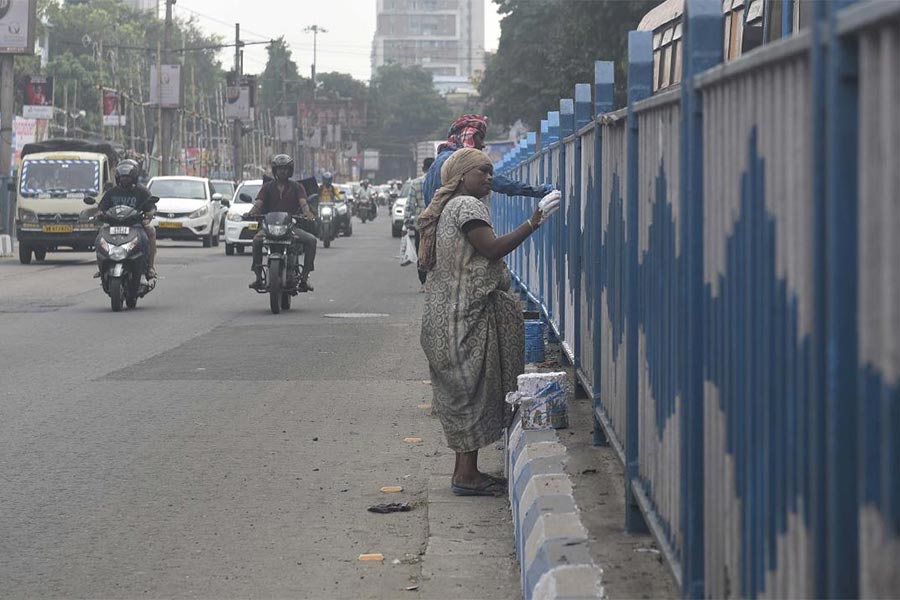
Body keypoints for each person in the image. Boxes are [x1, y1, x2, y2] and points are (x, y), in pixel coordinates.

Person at [418, 148, 560, 496]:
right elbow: (492, 249)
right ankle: (465, 476)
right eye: (482, 171)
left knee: (467, 392)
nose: (489, 178)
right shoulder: (466, 206)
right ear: (462, 176)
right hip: (459, 318)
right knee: (470, 391)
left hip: (445, 315)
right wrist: (534, 220)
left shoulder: (451, 207)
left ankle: (466, 471)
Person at [423, 114, 554, 207]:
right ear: (469, 136)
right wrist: (537, 191)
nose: (483, 145)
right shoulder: (459, 161)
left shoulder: (437, 162)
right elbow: (499, 183)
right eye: (480, 137)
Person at [248, 154, 318, 292]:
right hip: (269, 228)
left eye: (285, 169)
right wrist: (251, 212)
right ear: (275, 170)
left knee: (311, 240)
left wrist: (308, 213)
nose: (282, 171)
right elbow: (258, 204)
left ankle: (304, 277)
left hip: (291, 227)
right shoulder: (267, 187)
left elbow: (303, 203)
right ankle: (257, 277)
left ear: (290, 170)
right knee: (256, 241)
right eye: (279, 169)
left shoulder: (297, 187)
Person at [98, 159, 158, 279]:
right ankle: (102, 266)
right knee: (100, 234)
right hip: (113, 225)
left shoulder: (142, 192)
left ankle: (150, 267)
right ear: (117, 177)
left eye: (128, 177)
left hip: (136, 225)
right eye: (122, 177)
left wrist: (149, 214)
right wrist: (99, 214)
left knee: (151, 231)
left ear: (134, 177)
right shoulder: (111, 192)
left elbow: (151, 207)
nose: (124, 179)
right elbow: (101, 208)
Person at [405, 157, 434, 291]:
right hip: (436, 223)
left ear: (423, 168)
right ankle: (434, 281)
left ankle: (423, 283)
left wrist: (407, 220)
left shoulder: (416, 183)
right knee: (436, 252)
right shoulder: (439, 182)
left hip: (420, 225)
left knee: (421, 253)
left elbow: (410, 204)